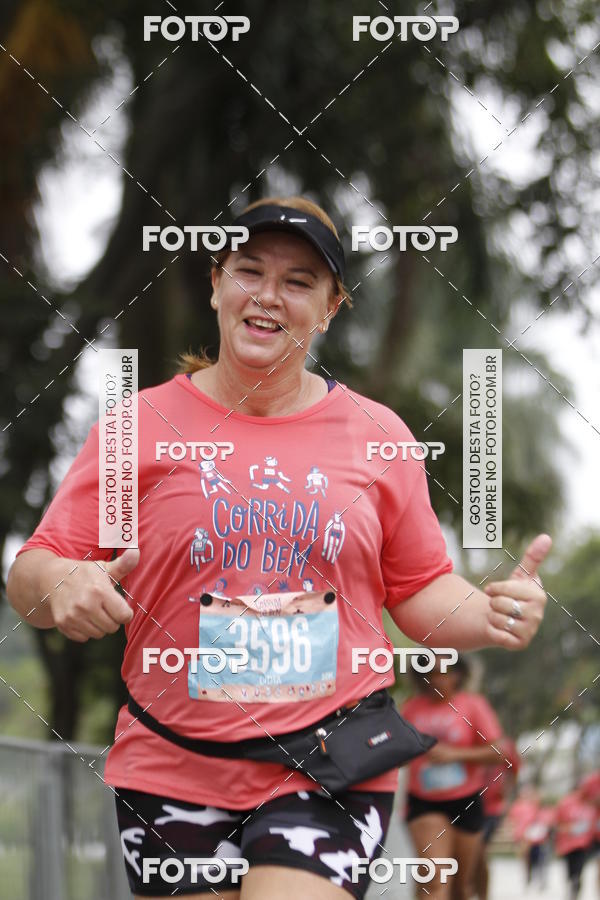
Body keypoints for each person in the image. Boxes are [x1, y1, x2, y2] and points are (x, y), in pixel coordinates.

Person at [6, 195, 552, 900]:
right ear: (215, 284)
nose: (268, 296)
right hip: (172, 766)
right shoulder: (137, 428)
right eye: (249, 270)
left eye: (299, 282)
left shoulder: (376, 434)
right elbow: (31, 572)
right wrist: (62, 584)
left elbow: (419, 590)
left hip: (328, 766)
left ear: (330, 307)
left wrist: (492, 614)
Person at [400, 655, 512, 899]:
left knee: (461, 888)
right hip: (424, 802)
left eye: (444, 672)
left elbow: (499, 753)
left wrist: (455, 754)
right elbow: (397, 753)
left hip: (466, 800)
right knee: (435, 877)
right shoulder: (411, 708)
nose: (437, 679)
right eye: (431, 673)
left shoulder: (473, 705)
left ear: (458, 674)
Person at [473, 736, 521, 899]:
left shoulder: (505, 746)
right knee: (469, 854)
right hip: (467, 806)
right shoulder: (468, 741)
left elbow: (514, 771)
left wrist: (506, 798)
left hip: (492, 809)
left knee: (478, 850)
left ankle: (482, 894)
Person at [555, 784, 596, 900]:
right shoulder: (566, 803)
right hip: (569, 842)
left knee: (576, 867)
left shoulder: (589, 803)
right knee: (573, 868)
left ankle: (574, 886)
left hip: (582, 843)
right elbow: (558, 823)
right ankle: (574, 885)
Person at [508, 786, 554, 890]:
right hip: (524, 837)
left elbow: (546, 821)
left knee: (541, 859)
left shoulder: (538, 807)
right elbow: (514, 822)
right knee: (527, 859)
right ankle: (528, 879)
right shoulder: (518, 807)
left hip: (539, 838)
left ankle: (541, 880)